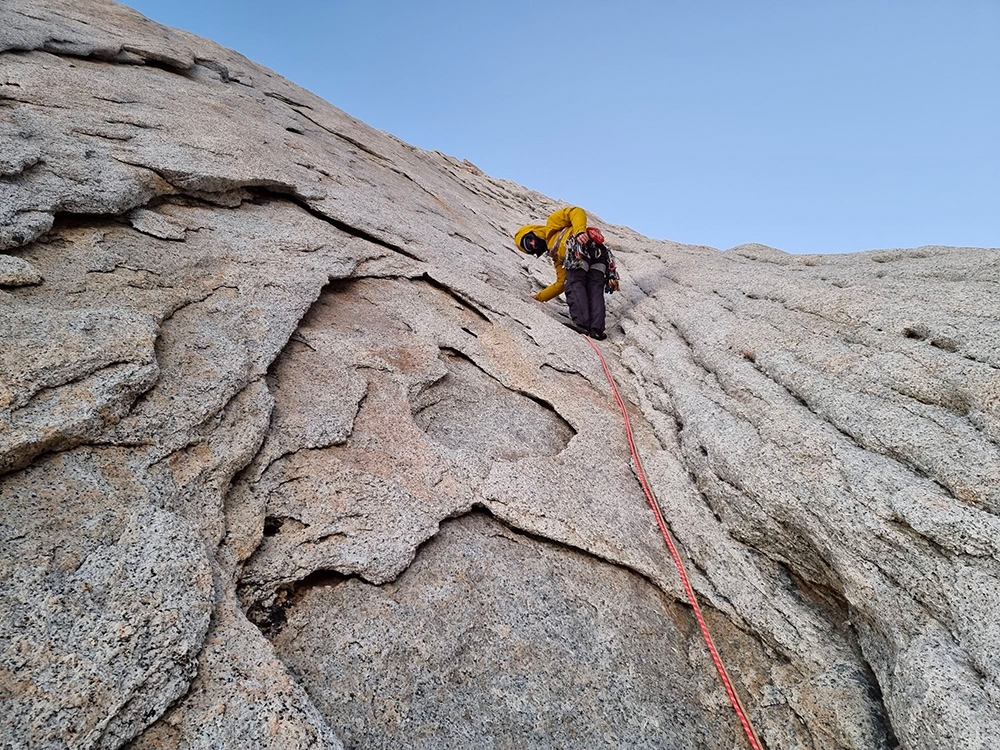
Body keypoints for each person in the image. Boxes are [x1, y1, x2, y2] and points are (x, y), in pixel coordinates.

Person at [514, 206, 613, 339]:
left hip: (579, 250)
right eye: (529, 247)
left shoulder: (552, 224)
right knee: (594, 287)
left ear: (533, 232)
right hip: (599, 254)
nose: (533, 243)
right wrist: (540, 297)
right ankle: (596, 330)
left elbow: (576, 211)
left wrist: (579, 232)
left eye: (529, 239)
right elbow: (561, 283)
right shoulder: (556, 257)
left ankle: (582, 325)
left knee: (574, 283)